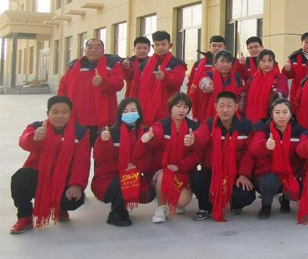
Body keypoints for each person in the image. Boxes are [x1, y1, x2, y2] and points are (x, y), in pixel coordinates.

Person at [9, 96, 90, 234]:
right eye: (55, 112)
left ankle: (61, 207)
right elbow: (24, 141)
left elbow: (82, 162)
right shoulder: (38, 127)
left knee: (73, 199)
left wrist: (76, 184)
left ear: (70, 113)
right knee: (20, 178)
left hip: (64, 179)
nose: (60, 116)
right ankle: (24, 217)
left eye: (64, 112)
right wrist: (34, 138)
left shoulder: (80, 132)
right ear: (48, 113)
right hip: (40, 175)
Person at [141, 92, 209, 223]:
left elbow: (197, 155)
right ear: (171, 107)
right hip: (162, 169)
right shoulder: (161, 125)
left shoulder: (194, 128)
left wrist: (180, 166)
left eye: (185, 107)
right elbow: (156, 134)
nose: (182, 110)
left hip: (183, 171)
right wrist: (150, 137)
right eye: (178, 106)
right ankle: (160, 209)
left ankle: (175, 201)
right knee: (164, 175)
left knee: (182, 202)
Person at [191, 91, 256, 221]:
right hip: (213, 172)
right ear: (216, 107)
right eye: (221, 106)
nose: (225, 110)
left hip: (235, 173)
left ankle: (234, 205)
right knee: (198, 178)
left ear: (236, 107)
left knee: (245, 194)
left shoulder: (246, 126)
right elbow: (200, 136)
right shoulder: (209, 124)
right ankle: (206, 207)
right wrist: (193, 139)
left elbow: (249, 153)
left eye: (229, 106)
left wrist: (244, 174)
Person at [92, 98, 156, 226]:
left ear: (139, 113)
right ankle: (116, 214)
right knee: (125, 179)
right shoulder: (110, 132)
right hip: (108, 178)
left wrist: (137, 165)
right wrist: (104, 142)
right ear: (120, 114)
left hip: (133, 174)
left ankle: (122, 207)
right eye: (125, 111)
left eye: (133, 110)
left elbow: (149, 160)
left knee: (148, 193)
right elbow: (100, 158)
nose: (129, 114)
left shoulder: (145, 133)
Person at [57, 38, 124, 146]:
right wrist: (61, 107)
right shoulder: (74, 66)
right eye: (90, 47)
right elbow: (63, 88)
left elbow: (118, 84)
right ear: (85, 50)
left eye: (97, 47)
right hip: (78, 120)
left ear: (103, 50)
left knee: (102, 153)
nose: (93, 50)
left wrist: (103, 82)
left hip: (103, 120)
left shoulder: (111, 64)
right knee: (79, 153)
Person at [248, 98, 306, 219]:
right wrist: (265, 145)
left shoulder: (298, 131)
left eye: (285, 112)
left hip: (289, 172)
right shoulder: (263, 129)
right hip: (267, 173)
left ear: (290, 114)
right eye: (277, 112)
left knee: (302, 187)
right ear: (271, 114)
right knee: (270, 182)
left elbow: (302, 152)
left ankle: (285, 199)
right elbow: (253, 148)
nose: (281, 116)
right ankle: (266, 205)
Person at [134, 31, 187, 126]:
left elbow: (178, 81)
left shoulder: (176, 64)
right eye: (157, 45)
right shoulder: (143, 66)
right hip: (144, 112)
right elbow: (135, 88)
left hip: (166, 112)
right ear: (153, 47)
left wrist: (165, 77)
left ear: (170, 45)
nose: (160, 47)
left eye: (163, 44)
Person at [193, 50, 245, 123]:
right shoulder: (208, 75)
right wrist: (206, 86)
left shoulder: (236, 77)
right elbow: (203, 82)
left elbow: (242, 95)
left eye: (228, 62)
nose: (225, 65)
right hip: (210, 117)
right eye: (222, 62)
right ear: (215, 63)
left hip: (232, 118)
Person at [241, 49, 288, 122]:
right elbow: (245, 99)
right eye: (263, 61)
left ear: (274, 62)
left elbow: (282, 88)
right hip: (251, 116)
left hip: (270, 116)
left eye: (270, 61)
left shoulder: (279, 77)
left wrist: (280, 93)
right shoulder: (252, 79)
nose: (267, 64)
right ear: (258, 62)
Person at [188, 35, 228, 100]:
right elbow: (191, 82)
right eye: (214, 46)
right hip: (201, 99)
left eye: (220, 46)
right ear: (209, 47)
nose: (217, 48)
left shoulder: (231, 63)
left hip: (223, 99)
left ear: (224, 47)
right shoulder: (198, 64)